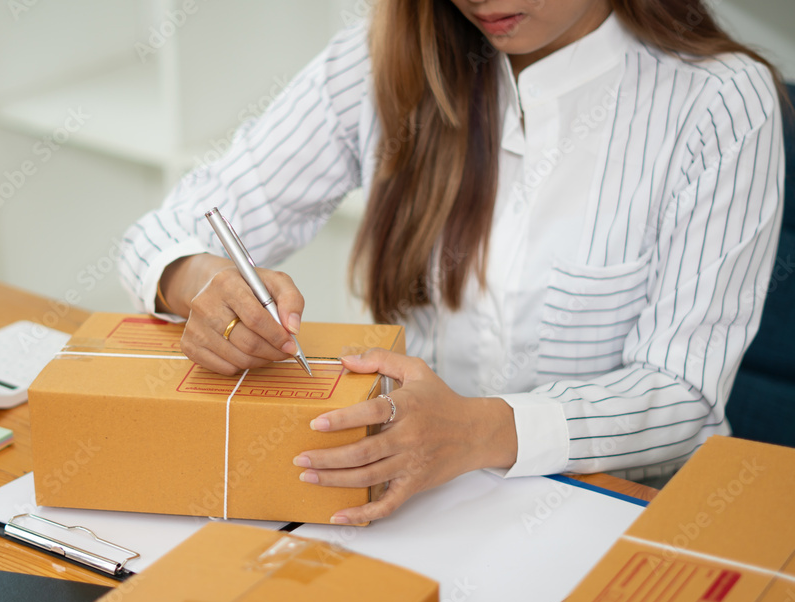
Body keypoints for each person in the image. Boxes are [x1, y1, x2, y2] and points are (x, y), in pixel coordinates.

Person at [120, 0, 786, 524]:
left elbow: (680, 395)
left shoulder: (721, 101)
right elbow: (167, 230)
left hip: (627, 512)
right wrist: (196, 279)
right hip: (420, 502)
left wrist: (478, 430)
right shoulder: (380, 59)